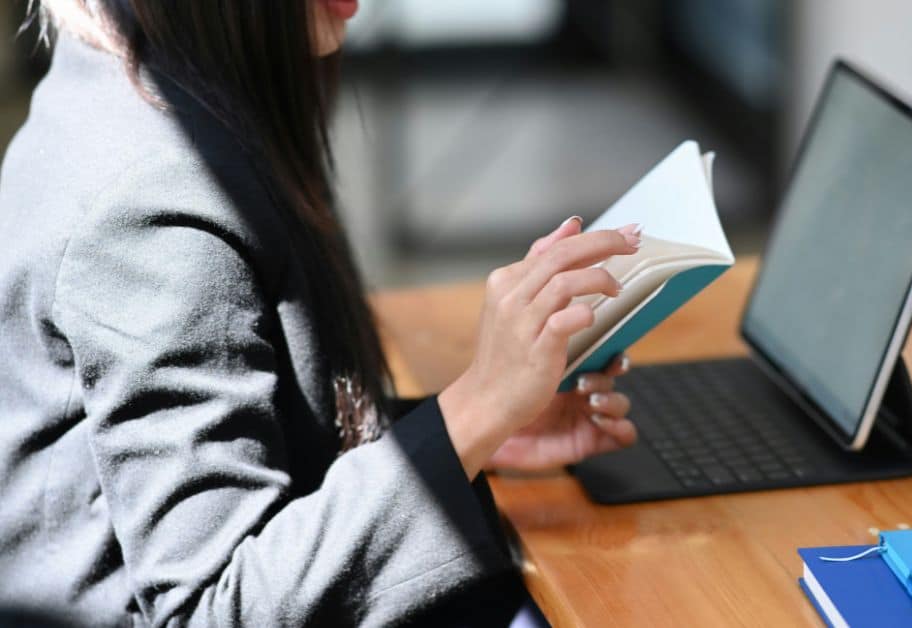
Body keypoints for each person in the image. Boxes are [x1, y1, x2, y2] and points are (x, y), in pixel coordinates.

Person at [0, 0, 639, 625]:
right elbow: (213, 606)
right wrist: (476, 407)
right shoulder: (154, 207)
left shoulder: (109, 86)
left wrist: (465, 437)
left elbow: (257, 435)